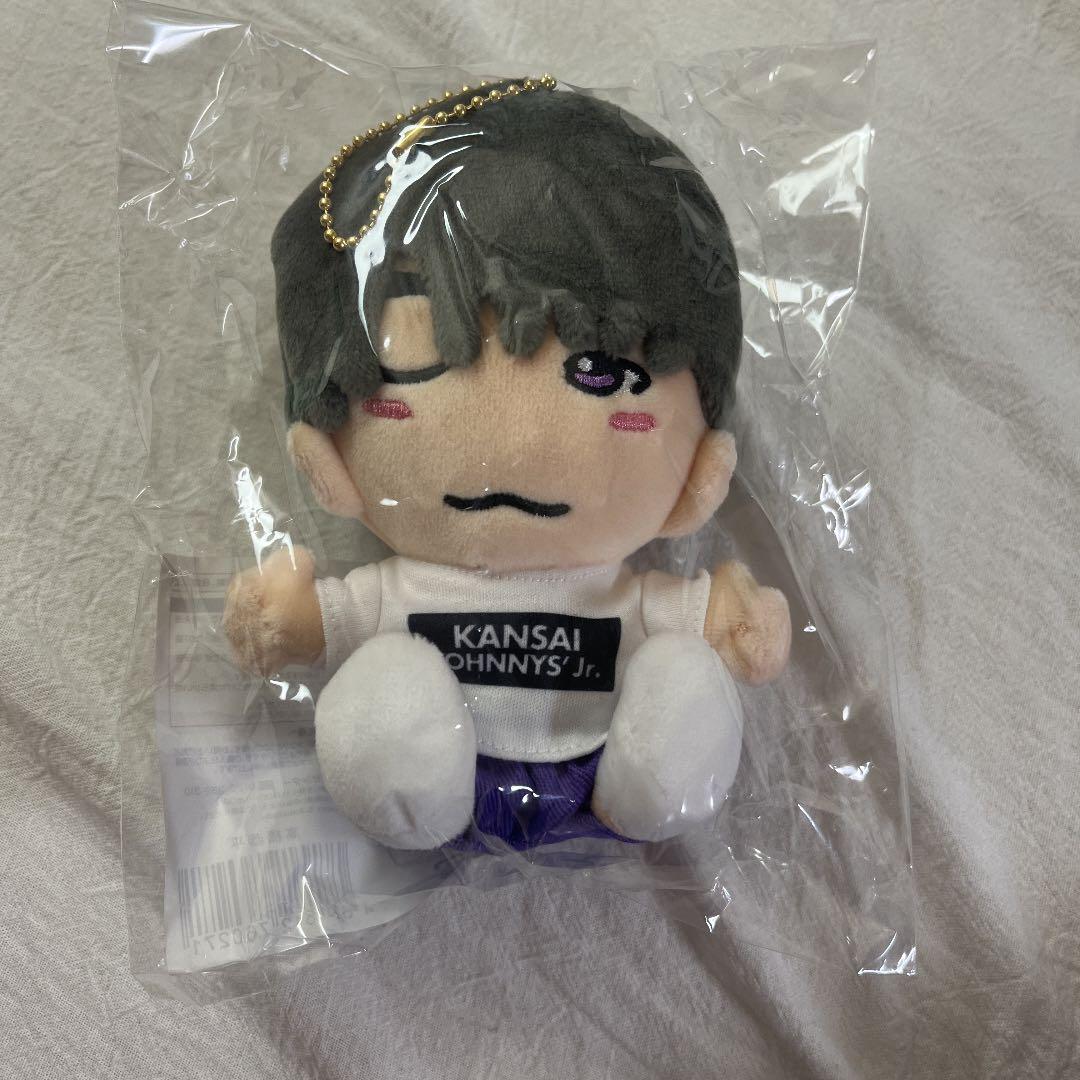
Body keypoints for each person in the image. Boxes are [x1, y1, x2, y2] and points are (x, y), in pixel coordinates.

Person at [224, 79, 790, 851]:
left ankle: (653, 787)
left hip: (601, 771)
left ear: (701, 473)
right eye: (422, 371)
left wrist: (731, 622)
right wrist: (287, 620)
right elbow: (333, 619)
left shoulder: (620, 591)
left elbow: (698, 624)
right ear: (327, 456)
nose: (522, 446)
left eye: (603, 374)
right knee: (385, 693)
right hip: (446, 792)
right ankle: (410, 789)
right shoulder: (399, 587)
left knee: (683, 680)